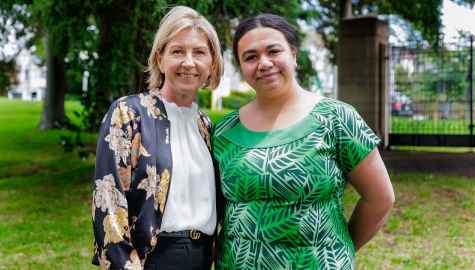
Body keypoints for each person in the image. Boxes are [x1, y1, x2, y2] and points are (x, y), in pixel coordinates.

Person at [213, 14, 395, 269]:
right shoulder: (224, 130)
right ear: (242, 68)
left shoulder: (337, 118)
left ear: (294, 55)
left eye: (273, 51)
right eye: (250, 57)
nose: (264, 63)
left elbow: (380, 198)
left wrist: (339, 249)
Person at [91, 6, 224, 270]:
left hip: (202, 257)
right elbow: (107, 199)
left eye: (199, 52)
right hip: (150, 260)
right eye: (177, 51)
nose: (189, 62)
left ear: (212, 63)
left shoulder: (206, 126)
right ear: (160, 58)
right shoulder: (129, 113)